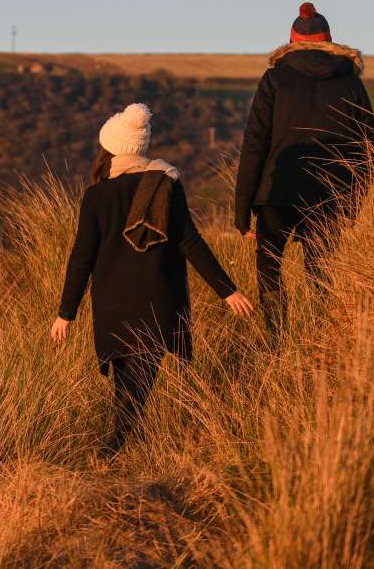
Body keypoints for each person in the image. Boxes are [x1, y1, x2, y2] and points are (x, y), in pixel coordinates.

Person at [51, 103, 252, 455]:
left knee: (129, 381)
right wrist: (227, 290)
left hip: (112, 303)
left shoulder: (98, 195)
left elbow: (82, 256)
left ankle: (117, 448)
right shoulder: (164, 184)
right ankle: (114, 448)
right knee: (137, 382)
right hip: (157, 298)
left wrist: (66, 312)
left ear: (110, 148)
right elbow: (190, 242)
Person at [234, 3, 374, 332]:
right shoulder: (350, 83)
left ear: (293, 40)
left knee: (269, 270)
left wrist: (242, 210)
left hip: (277, 191)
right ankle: (324, 346)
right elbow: (370, 149)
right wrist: (351, 203)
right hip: (329, 197)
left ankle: (278, 343)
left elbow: (255, 143)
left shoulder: (275, 79)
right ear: (329, 40)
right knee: (322, 275)